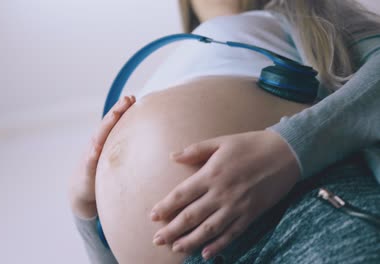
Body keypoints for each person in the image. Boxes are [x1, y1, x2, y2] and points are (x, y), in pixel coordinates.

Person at [69, 0, 380, 263]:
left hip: (299, 218)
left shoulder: (302, 16)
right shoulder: (173, 61)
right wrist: (86, 213)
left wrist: (290, 148)